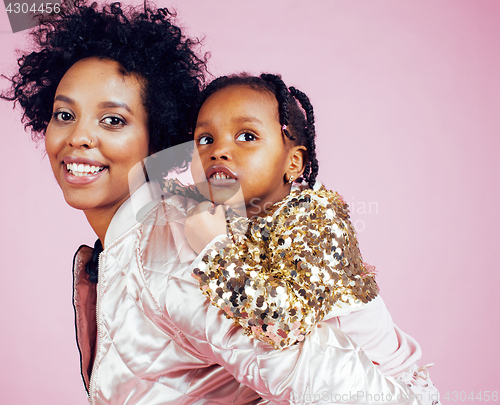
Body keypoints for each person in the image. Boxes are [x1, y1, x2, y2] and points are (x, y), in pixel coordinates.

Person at [2, 1, 430, 404]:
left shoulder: (178, 246)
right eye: (64, 114)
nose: (78, 136)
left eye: (113, 120)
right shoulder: (134, 241)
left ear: (160, 137)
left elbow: (342, 385)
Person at [181, 73, 440, 404]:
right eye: (205, 140)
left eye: (246, 136)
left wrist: (214, 251)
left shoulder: (317, 221)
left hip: (384, 390)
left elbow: (281, 326)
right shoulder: (236, 217)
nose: (218, 151)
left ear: (293, 162)